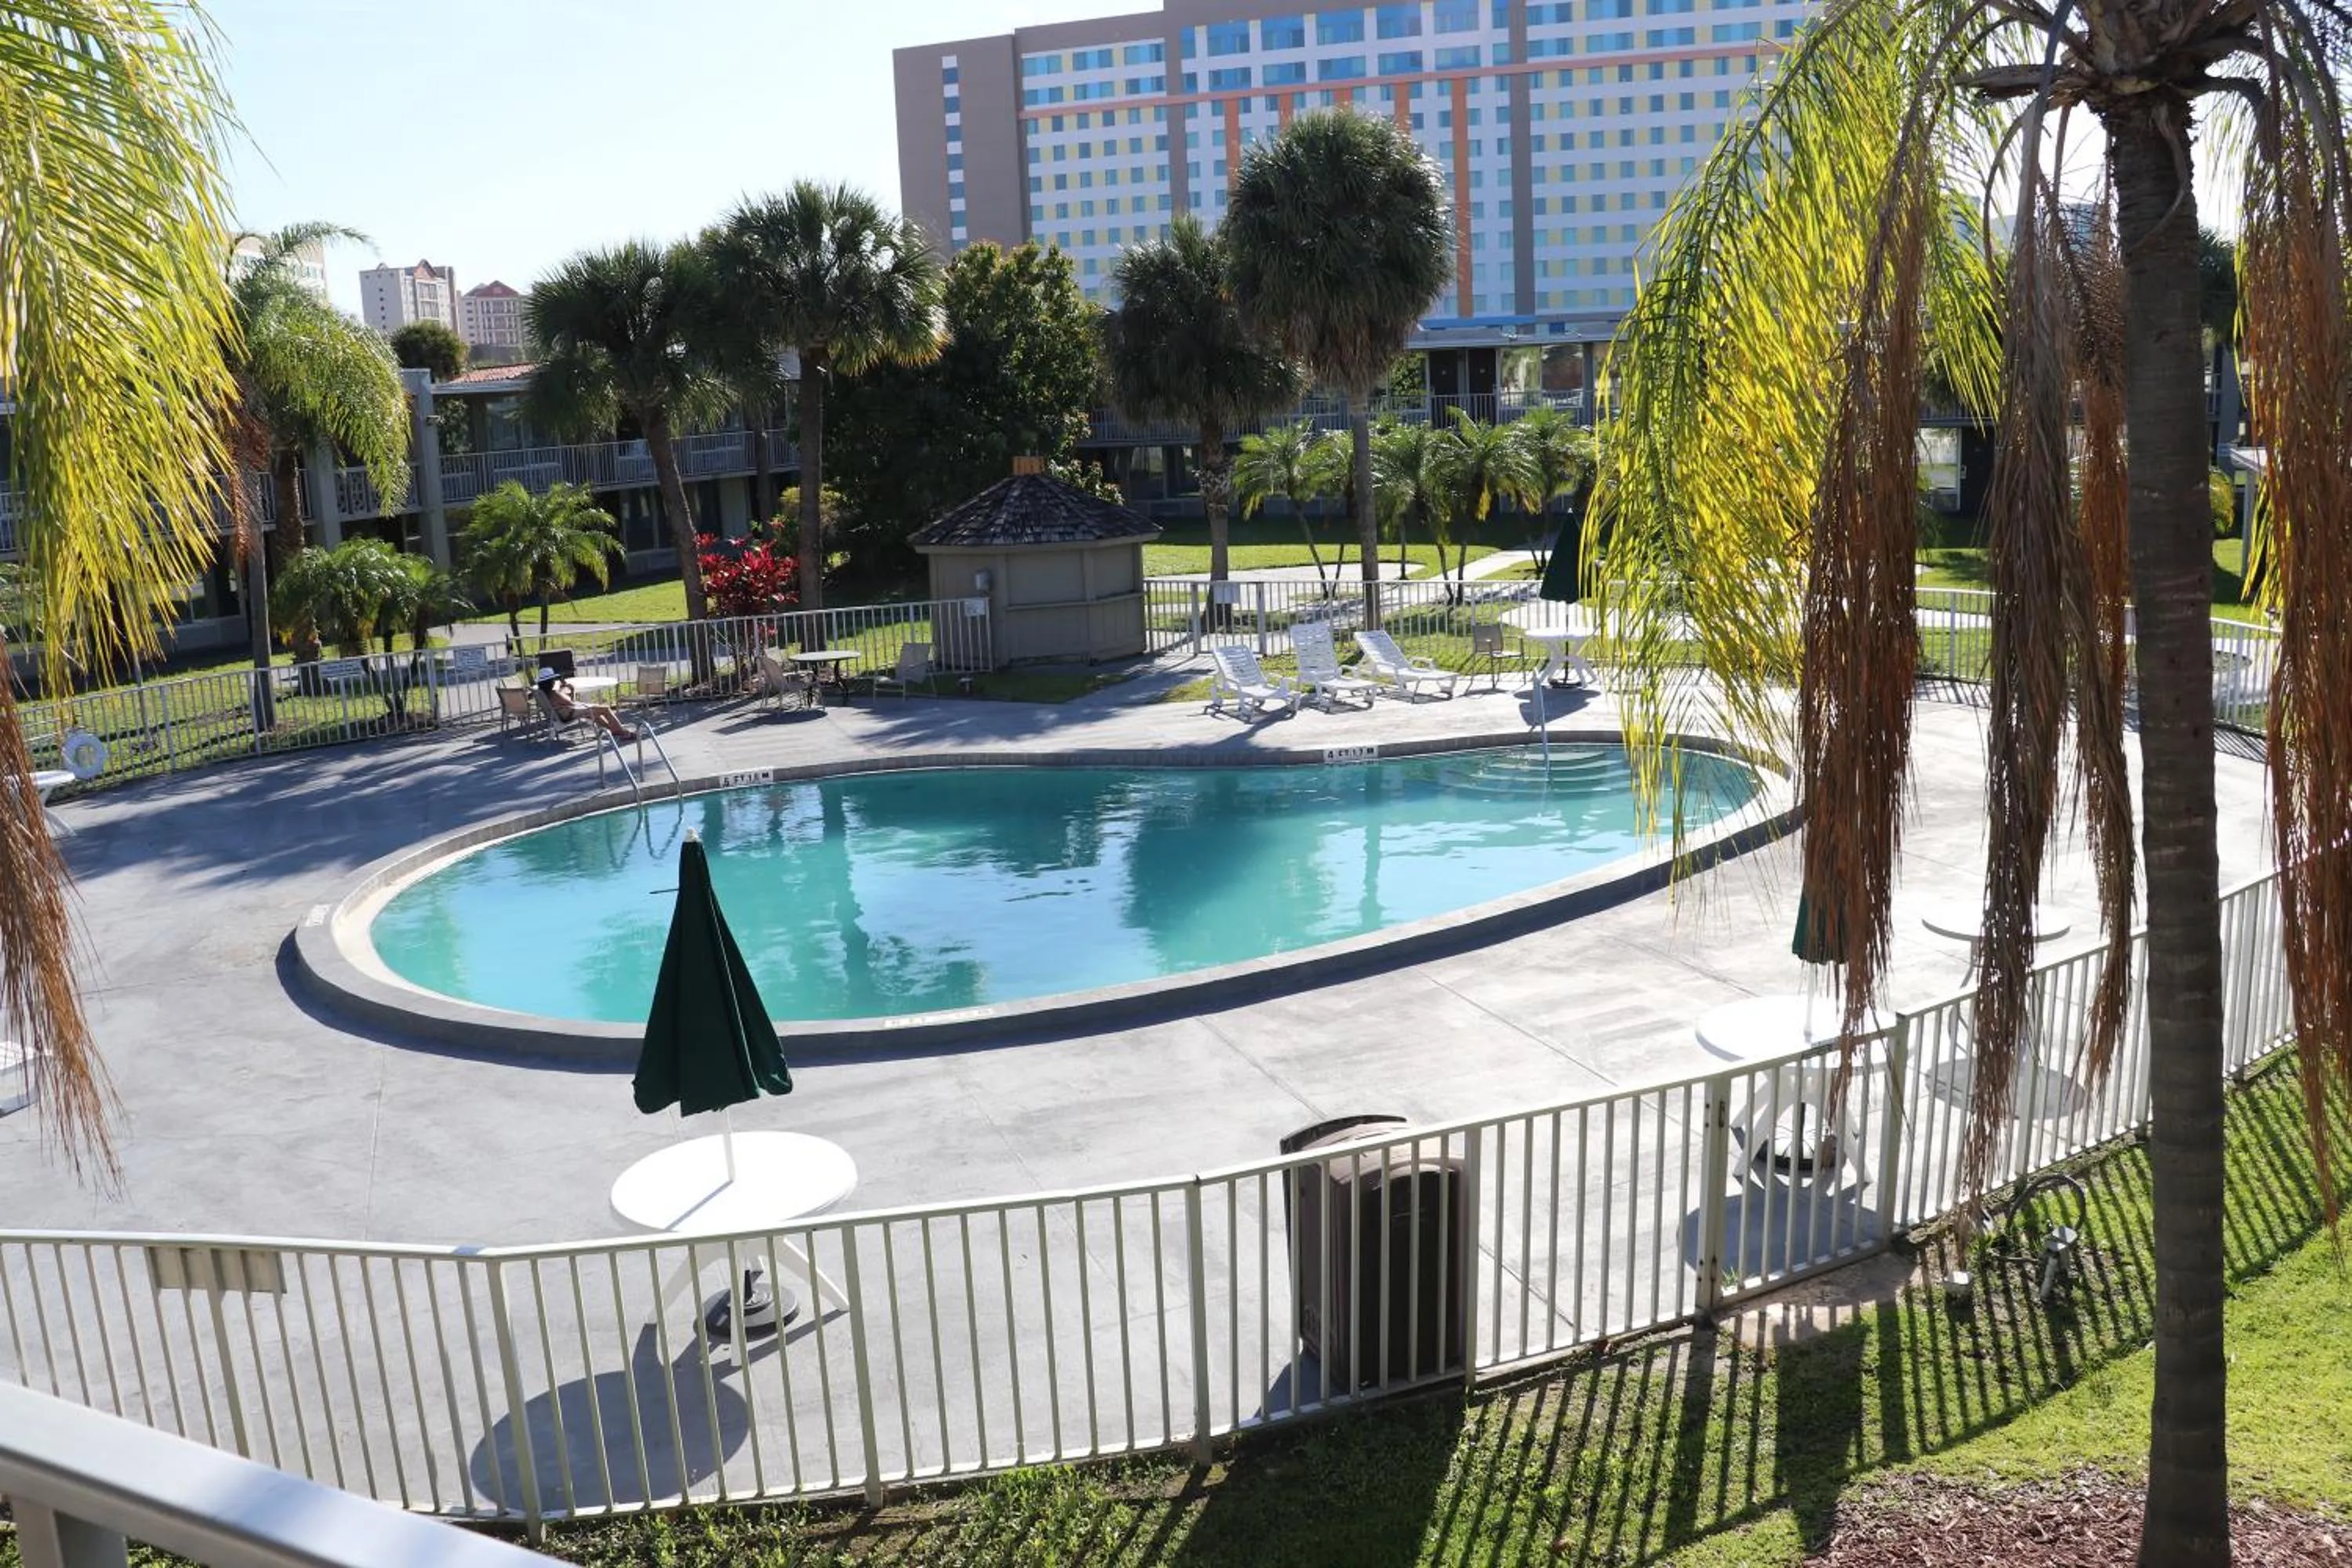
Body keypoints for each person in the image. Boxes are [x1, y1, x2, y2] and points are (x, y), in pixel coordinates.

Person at [535, 667, 638, 741]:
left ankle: (614, 730)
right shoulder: (555, 693)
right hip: (569, 714)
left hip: (561, 714)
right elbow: (571, 702)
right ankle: (622, 732)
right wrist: (571, 690)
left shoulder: (543, 693)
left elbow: (565, 702)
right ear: (551, 681)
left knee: (595, 712)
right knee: (605, 709)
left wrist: (562, 691)